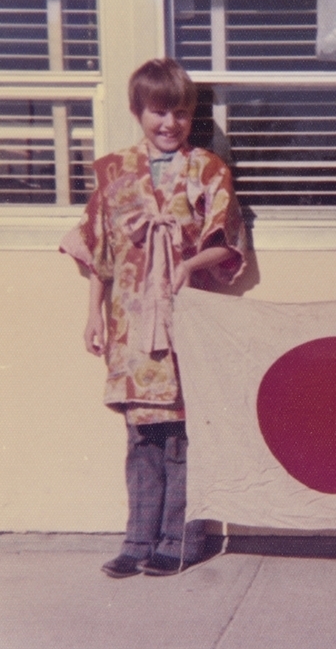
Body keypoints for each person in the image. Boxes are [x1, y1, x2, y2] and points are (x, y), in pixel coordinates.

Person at [60, 58, 247, 578]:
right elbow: (99, 251)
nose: (170, 124)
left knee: (181, 436)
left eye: (181, 114)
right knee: (141, 435)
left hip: (186, 321)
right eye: (159, 112)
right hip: (129, 324)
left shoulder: (208, 170)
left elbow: (226, 238)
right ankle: (137, 538)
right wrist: (92, 315)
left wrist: (189, 261)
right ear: (138, 111)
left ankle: (179, 538)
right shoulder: (114, 172)